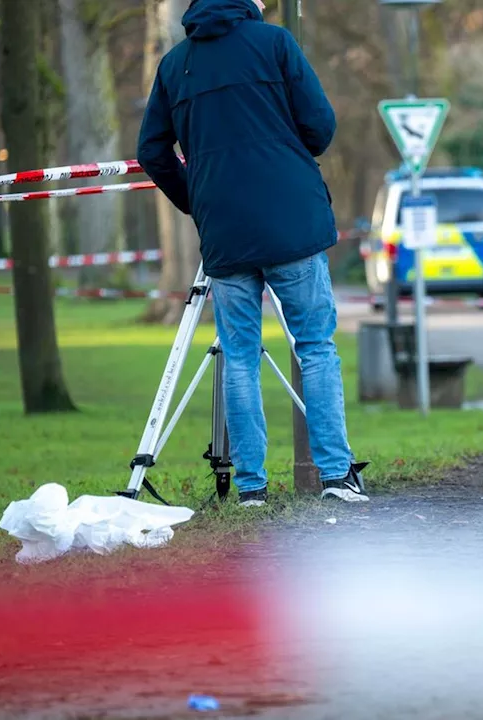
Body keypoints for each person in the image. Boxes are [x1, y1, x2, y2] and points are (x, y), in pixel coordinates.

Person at [137, 0, 369, 507]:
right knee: (316, 347)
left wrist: (197, 199)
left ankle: (251, 488)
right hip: (292, 219)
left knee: (238, 356)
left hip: (226, 231)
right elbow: (321, 128)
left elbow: (151, 151)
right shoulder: (276, 43)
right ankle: (335, 476)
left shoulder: (176, 64)